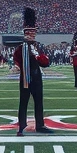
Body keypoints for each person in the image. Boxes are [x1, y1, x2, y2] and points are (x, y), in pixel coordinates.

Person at [15, 7, 51, 136]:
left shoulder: (38, 46)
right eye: (30, 33)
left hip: (36, 76)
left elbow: (45, 63)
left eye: (34, 33)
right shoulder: (21, 48)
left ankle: (40, 125)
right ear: (26, 33)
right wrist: (18, 66)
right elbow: (16, 60)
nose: (32, 35)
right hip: (25, 77)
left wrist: (39, 57)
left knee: (39, 102)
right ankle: (21, 126)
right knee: (23, 102)